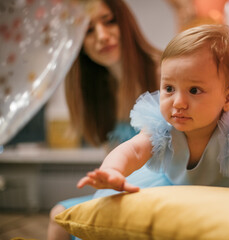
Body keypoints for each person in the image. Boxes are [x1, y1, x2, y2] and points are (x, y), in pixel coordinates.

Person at [77, 24, 229, 207]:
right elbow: (131, 151)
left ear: (228, 99)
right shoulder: (161, 127)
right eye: (168, 88)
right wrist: (112, 170)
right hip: (175, 189)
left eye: (194, 90)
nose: (178, 102)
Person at [47, 0, 161, 239]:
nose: (102, 36)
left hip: (164, 182)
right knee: (59, 215)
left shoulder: (163, 73)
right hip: (122, 188)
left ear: (126, 23)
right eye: (88, 30)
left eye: (109, 21)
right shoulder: (97, 92)